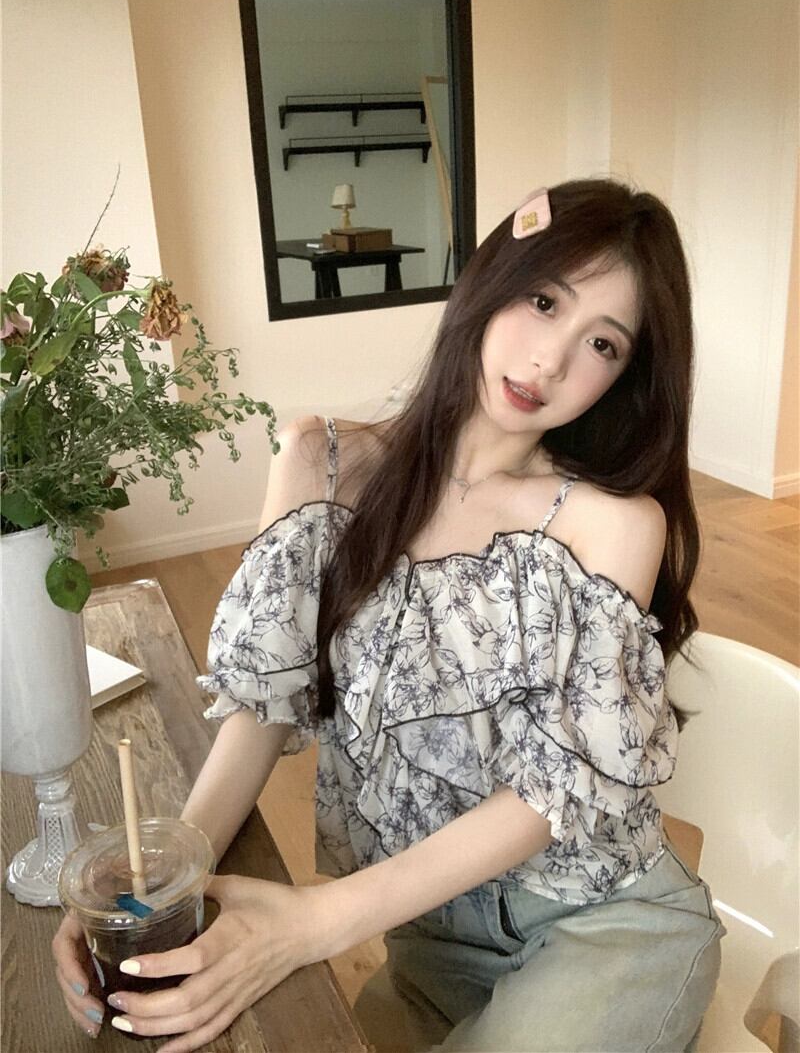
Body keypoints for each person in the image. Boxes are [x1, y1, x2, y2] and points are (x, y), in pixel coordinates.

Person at [52, 178, 726, 1052]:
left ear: (625, 375)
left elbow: (542, 800)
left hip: (602, 927)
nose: (550, 361)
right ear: (492, 280)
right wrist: (166, 881)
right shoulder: (321, 465)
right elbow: (265, 708)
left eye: (602, 342)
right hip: (426, 939)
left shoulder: (613, 528)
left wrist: (313, 921)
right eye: (543, 301)